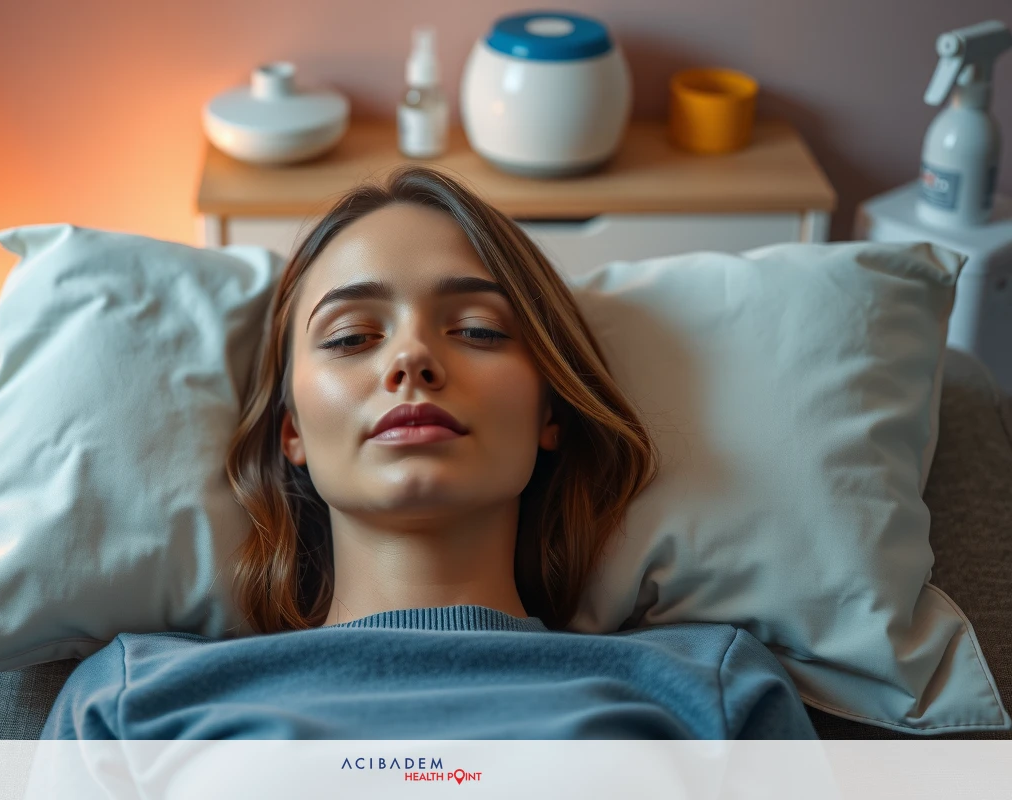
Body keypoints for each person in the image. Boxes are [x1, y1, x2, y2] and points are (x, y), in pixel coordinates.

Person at [41, 164, 818, 740]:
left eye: (477, 329)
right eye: (351, 337)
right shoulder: (132, 703)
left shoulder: (710, 694)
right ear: (293, 432)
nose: (410, 360)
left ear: (550, 410)